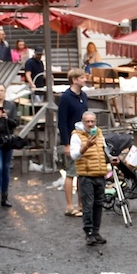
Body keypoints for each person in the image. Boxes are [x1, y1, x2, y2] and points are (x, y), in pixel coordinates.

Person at [69, 110, 112, 245]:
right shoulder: (76, 136)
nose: (90, 124)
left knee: (99, 204)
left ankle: (96, 232)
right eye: (87, 121)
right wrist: (86, 146)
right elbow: (74, 155)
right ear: (83, 122)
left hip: (100, 173)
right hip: (86, 175)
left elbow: (104, 151)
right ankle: (88, 233)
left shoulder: (99, 133)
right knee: (88, 204)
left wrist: (111, 159)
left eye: (92, 121)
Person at [57, 68, 90, 216]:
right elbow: (62, 121)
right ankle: (70, 206)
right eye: (82, 77)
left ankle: (81, 205)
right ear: (75, 80)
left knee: (82, 172)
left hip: (83, 137)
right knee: (71, 172)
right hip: (72, 138)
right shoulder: (66, 97)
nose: (85, 80)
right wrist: (66, 144)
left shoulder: (83, 96)